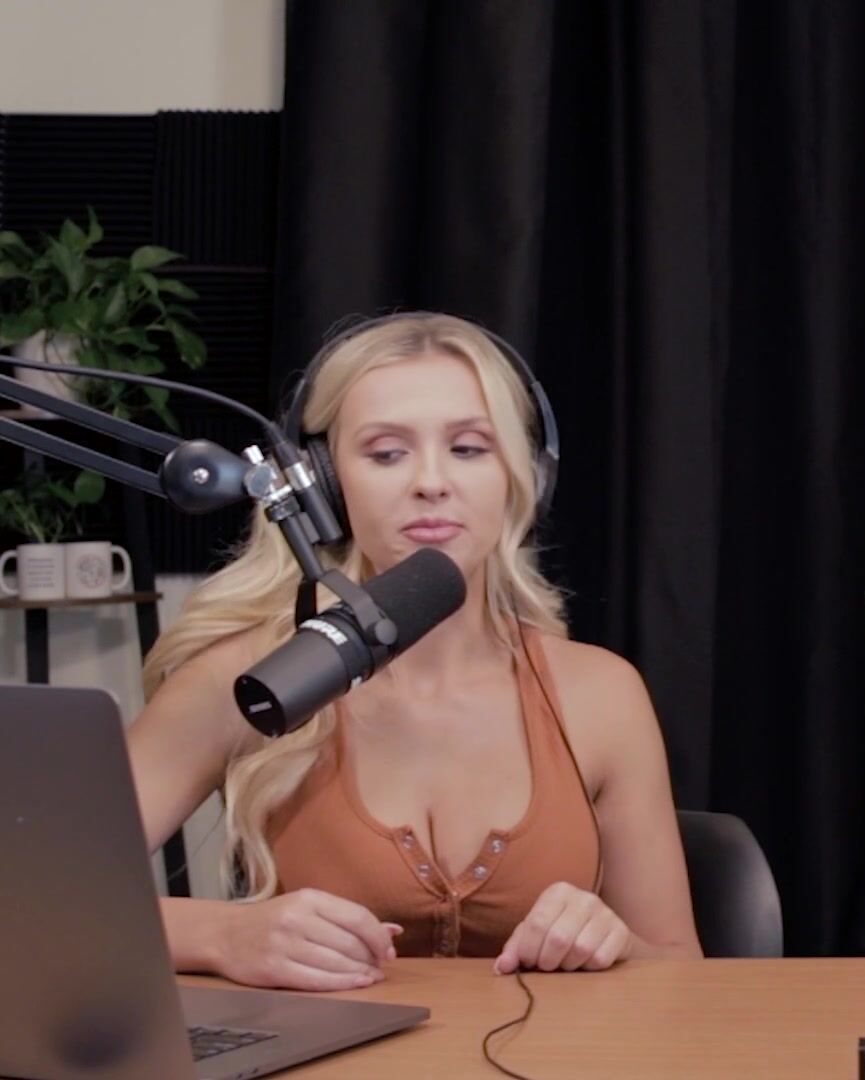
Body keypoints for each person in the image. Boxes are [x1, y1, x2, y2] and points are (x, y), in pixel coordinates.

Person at [128, 312, 702, 992]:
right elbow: (36, 896)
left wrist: (615, 943)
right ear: (322, 485)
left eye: (468, 448)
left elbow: (683, 970)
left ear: (521, 476)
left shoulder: (602, 695)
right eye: (386, 453)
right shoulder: (251, 679)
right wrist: (222, 934)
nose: (431, 482)